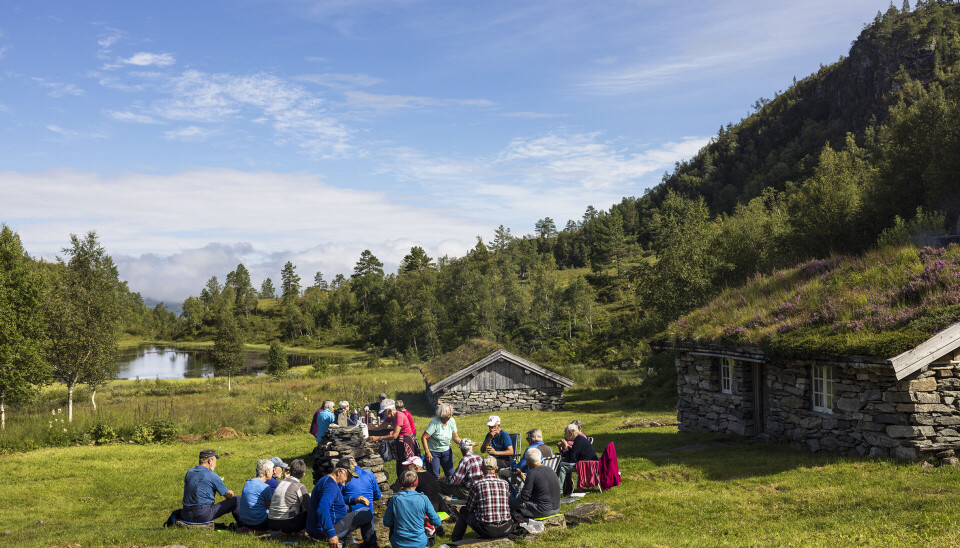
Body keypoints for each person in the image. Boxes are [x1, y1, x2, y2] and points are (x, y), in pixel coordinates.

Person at [307, 458, 377, 547]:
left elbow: (337, 500)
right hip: (324, 532)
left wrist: (354, 500)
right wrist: (331, 533)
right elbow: (322, 509)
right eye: (348, 476)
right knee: (365, 512)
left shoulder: (326, 480)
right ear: (339, 471)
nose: (349, 480)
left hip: (315, 529)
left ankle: (349, 539)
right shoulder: (330, 486)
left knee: (348, 508)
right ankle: (371, 544)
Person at [450, 456, 514, 542]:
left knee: (463, 510)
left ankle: (456, 539)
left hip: (487, 530)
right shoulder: (505, 483)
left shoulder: (477, 484)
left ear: (482, 469)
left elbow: (469, 508)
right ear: (496, 469)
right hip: (507, 527)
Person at [173, 448, 236, 524]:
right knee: (236, 499)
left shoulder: (189, 472)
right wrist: (231, 492)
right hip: (202, 514)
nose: (215, 464)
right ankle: (243, 526)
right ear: (210, 460)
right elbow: (228, 496)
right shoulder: (212, 476)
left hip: (185, 515)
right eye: (215, 461)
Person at [383, 469, 443, 548]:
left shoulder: (395, 499)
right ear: (416, 482)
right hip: (419, 542)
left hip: (399, 542)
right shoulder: (423, 498)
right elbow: (437, 522)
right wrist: (426, 519)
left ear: (401, 483)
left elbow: (386, 522)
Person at [370, 398, 418, 477]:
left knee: (405, 463)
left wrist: (377, 438)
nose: (384, 414)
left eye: (384, 412)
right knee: (399, 461)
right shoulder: (391, 416)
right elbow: (380, 427)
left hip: (406, 441)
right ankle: (400, 480)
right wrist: (367, 427)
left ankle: (408, 479)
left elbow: (394, 435)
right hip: (400, 440)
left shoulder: (399, 416)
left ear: (389, 410)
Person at [509, 448, 560, 518]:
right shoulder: (550, 469)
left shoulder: (532, 473)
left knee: (510, 500)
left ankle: (517, 521)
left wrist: (516, 496)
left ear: (528, 462)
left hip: (543, 510)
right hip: (556, 508)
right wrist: (522, 475)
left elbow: (524, 498)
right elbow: (536, 484)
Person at [268, 458, 311, 533]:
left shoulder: (280, 482)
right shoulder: (299, 486)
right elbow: (309, 507)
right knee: (310, 513)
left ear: (290, 471)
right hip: (288, 524)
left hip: (271, 522)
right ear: (303, 474)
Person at [421, 403, 461, 479]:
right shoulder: (435, 423)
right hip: (433, 452)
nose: (450, 416)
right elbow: (424, 437)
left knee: (450, 474)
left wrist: (461, 443)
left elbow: (455, 436)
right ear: (442, 415)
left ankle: (449, 490)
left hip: (446, 451)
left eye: (451, 414)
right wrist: (427, 452)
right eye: (449, 415)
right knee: (434, 475)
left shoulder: (451, 421)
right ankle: (436, 490)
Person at [234, 458, 275, 531]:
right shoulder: (265, 487)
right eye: (272, 471)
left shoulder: (248, 483)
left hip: (246, 521)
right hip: (259, 523)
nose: (273, 473)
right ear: (267, 472)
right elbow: (270, 506)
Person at [556, 422, 597, 492]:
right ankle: (567, 487)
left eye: (566, 433)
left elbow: (572, 459)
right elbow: (573, 455)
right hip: (586, 462)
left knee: (562, 466)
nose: (565, 435)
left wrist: (566, 447)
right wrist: (566, 449)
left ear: (571, 433)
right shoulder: (579, 439)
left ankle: (558, 491)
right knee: (563, 461)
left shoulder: (578, 441)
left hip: (587, 465)